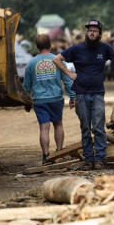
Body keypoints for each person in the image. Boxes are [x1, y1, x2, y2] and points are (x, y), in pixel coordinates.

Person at [54, 19, 114, 170]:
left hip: (97, 94)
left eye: (95, 31)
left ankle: (100, 159)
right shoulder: (76, 49)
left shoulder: (104, 48)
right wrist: (69, 73)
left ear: (99, 34)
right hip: (81, 94)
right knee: (85, 127)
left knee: (98, 127)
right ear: (86, 32)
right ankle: (89, 159)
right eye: (90, 30)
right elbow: (56, 59)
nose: (92, 32)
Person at [23, 34, 75, 164]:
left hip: (39, 100)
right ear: (50, 44)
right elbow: (67, 80)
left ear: (37, 46)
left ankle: (46, 155)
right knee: (58, 124)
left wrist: (26, 101)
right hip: (56, 98)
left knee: (44, 128)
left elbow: (26, 86)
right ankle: (59, 152)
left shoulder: (31, 63)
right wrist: (72, 96)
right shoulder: (57, 60)